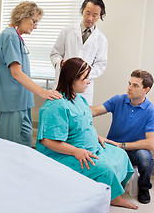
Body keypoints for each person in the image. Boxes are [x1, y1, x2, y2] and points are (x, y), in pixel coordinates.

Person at [36, 57, 138, 210]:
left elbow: (84, 125)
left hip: (90, 147)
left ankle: (113, 191)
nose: (88, 82)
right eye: (85, 78)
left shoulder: (80, 100)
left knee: (121, 154)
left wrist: (97, 137)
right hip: (65, 154)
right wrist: (76, 151)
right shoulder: (56, 105)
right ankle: (114, 197)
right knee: (105, 169)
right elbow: (46, 141)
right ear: (72, 80)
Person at [0, 1, 62, 147]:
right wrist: (43, 92)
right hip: (11, 102)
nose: (35, 27)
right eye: (34, 22)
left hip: (21, 102)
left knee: (25, 144)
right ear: (23, 17)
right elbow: (16, 73)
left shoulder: (16, 37)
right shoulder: (9, 37)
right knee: (10, 148)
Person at [91, 69, 154, 204]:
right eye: (129, 83)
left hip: (134, 150)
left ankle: (144, 187)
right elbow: (94, 111)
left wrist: (122, 145)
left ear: (146, 89)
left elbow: (151, 144)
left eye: (135, 85)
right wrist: (74, 103)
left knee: (145, 158)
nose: (129, 88)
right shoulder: (118, 100)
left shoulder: (152, 112)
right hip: (113, 147)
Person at [50, 0, 108, 106]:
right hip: (63, 84)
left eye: (95, 15)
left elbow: (100, 65)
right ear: (82, 11)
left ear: (100, 16)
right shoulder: (67, 31)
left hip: (84, 89)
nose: (90, 18)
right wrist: (61, 63)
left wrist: (83, 74)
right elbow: (55, 54)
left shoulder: (101, 39)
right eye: (87, 13)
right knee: (59, 115)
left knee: (81, 119)